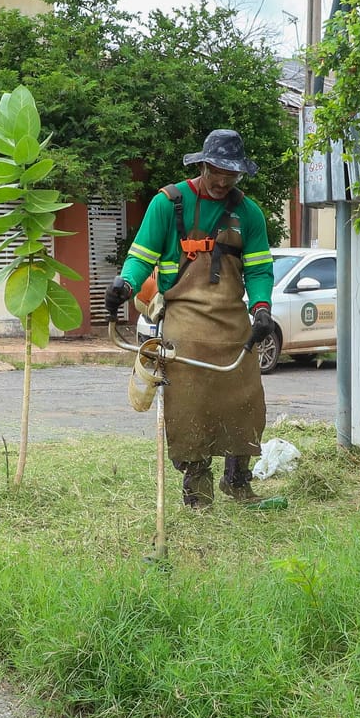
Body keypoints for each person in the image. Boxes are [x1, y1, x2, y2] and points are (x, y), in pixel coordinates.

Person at [106, 129, 278, 508]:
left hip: (234, 322)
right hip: (183, 319)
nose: (222, 180)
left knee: (246, 399)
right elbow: (141, 257)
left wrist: (262, 308)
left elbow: (260, 271)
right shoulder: (168, 204)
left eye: (230, 174)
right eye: (216, 170)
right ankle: (196, 488)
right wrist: (125, 282)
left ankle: (238, 479)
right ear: (202, 164)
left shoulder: (248, 214)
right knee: (188, 404)